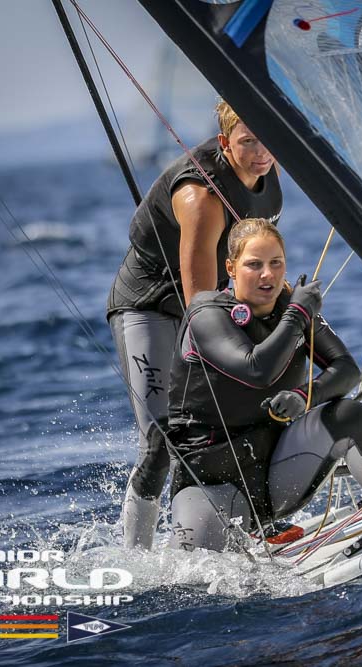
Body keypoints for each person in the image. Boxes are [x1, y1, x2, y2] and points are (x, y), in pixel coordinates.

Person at [108, 100, 282, 548]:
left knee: (258, 406)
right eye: (248, 142)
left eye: (266, 139)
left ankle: (257, 525)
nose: (261, 152)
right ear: (225, 143)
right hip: (149, 307)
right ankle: (136, 557)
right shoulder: (201, 197)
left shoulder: (267, 167)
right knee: (162, 439)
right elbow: (201, 311)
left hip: (209, 300)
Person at [161, 219, 362, 551]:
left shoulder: (290, 306)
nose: (267, 275)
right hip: (211, 483)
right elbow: (256, 370)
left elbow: (346, 369)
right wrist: (297, 313)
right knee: (197, 571)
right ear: (230, 268)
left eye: (276, 263)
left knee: (351, 415)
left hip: (274, 475)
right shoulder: (206, 314)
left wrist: (303, 396)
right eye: (254, 265)